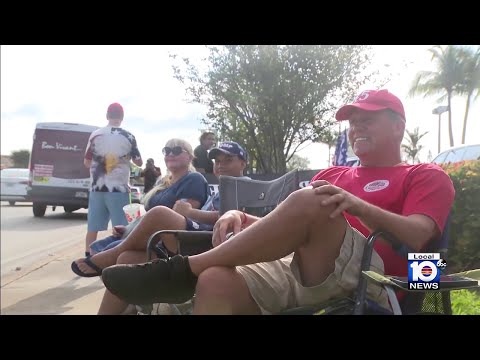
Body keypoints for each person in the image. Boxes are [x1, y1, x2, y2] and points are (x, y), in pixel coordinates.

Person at [101, 89, 456, 315]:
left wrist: (357, 206)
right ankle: (193, 271)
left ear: (398, 127)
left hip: (371, 278)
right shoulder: (332, 176)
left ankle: (183, 269)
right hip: (295, 265)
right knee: (216, 280)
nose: (356, 127)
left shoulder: (424, 175)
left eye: (368, 120)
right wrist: (241, 218)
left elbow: (419, 237)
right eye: (352, 122)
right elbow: (290, 230)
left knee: (313, 200)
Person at [81, 141, 248, 314]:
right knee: (127, 259)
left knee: (160, 213)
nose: (221, 165)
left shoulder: (243, 186)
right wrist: (134, 227)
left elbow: (229, 218)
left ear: (243, 163)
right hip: (190, 238)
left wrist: (191, 213)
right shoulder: (220, 189)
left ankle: (110, 254)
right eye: (217, 161)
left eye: (228, 160)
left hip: (206, 244)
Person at [71, 138, 209, 276]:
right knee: (106, 252)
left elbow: (181, 216)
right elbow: (149, 217)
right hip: (151, 236)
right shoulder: (163, 182)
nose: (170, 154)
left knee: (120, 255)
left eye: (177, 150)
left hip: (169, 241)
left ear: (190, 157)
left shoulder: (193, 179)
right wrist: (132, 229)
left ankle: (110, 255)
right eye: (167, 151)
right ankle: (111, 257)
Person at [82, 102, 143, 258]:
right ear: (122, 117)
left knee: (93, 227)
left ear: (107, 116)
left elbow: (87, 162)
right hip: (119, 189)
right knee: (121, 227)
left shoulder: (96, 134)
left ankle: (89, 257)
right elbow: (139, 162)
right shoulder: (128, 136)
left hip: (97, 188)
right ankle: (117, 256)